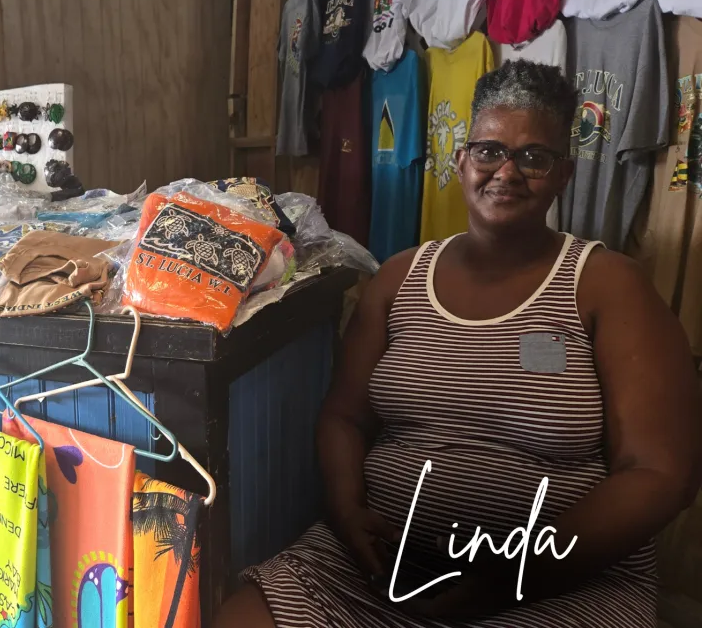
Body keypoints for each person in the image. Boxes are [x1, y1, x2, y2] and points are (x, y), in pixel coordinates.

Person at [216, 59, 702, 627]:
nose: (508, 171)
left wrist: (510, 577)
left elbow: (660, 474)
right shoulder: (398, 279)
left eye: (534, 157)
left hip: (560, 581)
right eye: (490, 151)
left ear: (564, 174)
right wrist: (347, 508)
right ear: (460, 160)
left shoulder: (606, 285)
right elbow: (345, 417)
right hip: (381, 567)